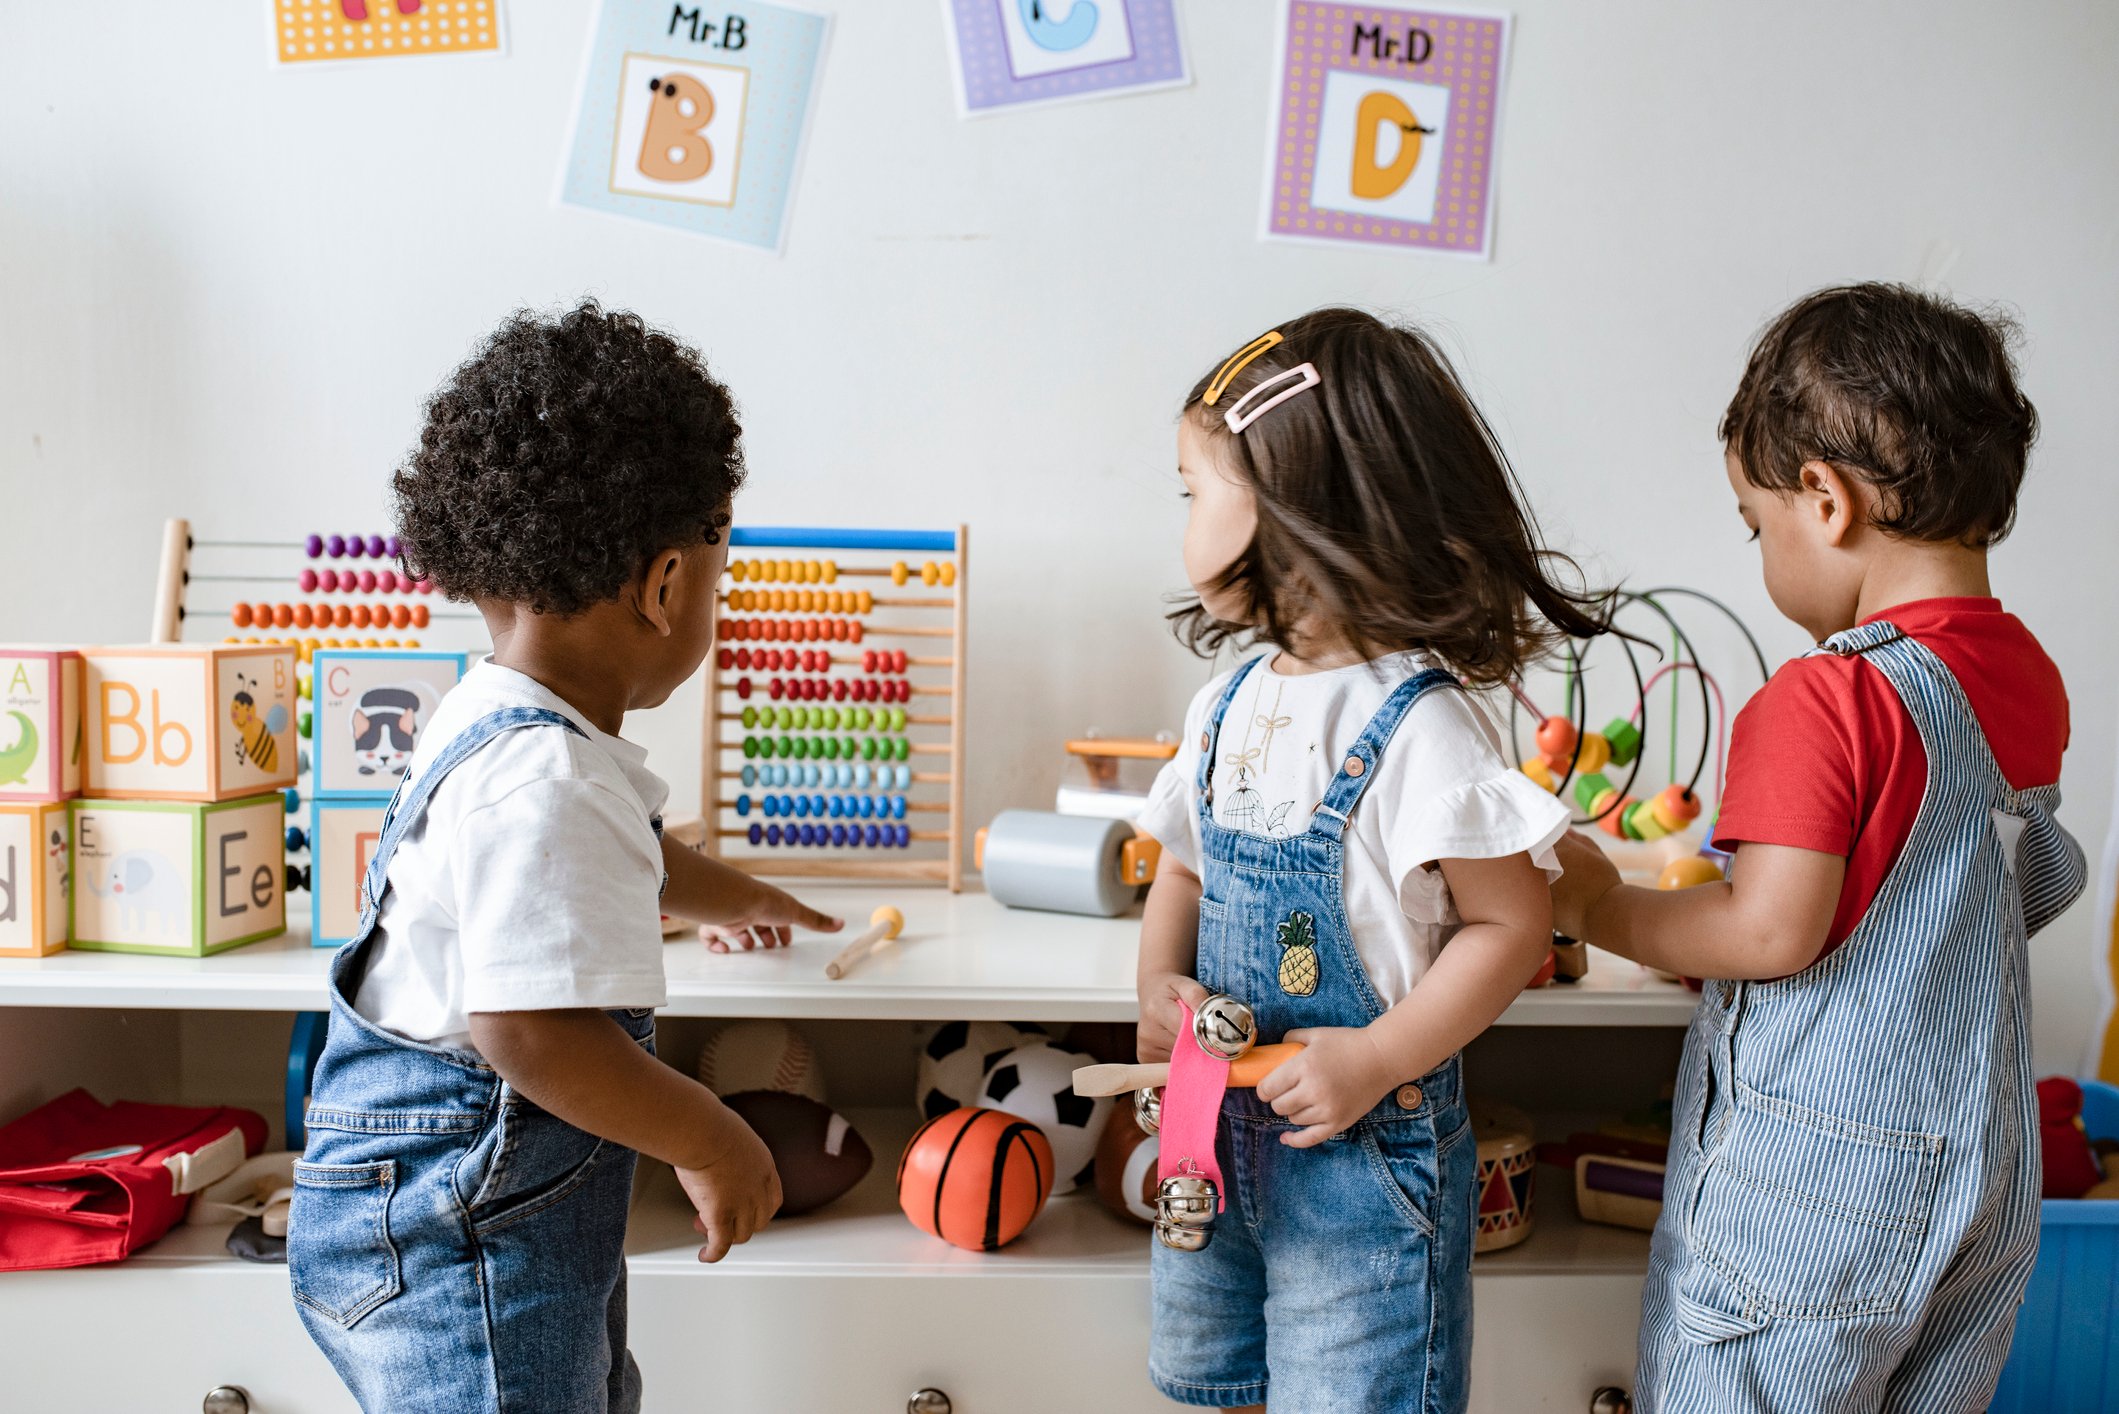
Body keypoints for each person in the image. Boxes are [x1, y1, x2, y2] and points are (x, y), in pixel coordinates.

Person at [287, 301, 842, 1413]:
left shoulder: (502, 721)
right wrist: (715, 1137)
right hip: (464, 1234)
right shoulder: (546, 779)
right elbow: (533, 1033)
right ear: (668, 584)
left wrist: (740, 894)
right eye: (717, 572)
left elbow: (632, 850)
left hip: (467, 1211)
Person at [1552, 283, 2087, 1413]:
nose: (1760, 555)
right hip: (1985, 1183)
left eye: (1756, 527)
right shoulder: (2027, 680)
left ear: (1823, 498)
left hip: (1825, 1187)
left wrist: (1598, 908)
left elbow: (1766, 929)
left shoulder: (1825, 695)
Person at [1133, 308, 1612, 1413]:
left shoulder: (1419, 724)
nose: (1183, 518)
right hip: (1213, 1139)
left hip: (1362, 1164)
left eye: (1193, 489)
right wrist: (1155, 984)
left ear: (1293, 510)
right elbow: (1184, 871)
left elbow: (1512, 925)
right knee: (1216, 1386)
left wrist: (1376, 1058)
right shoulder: (1226, 703)